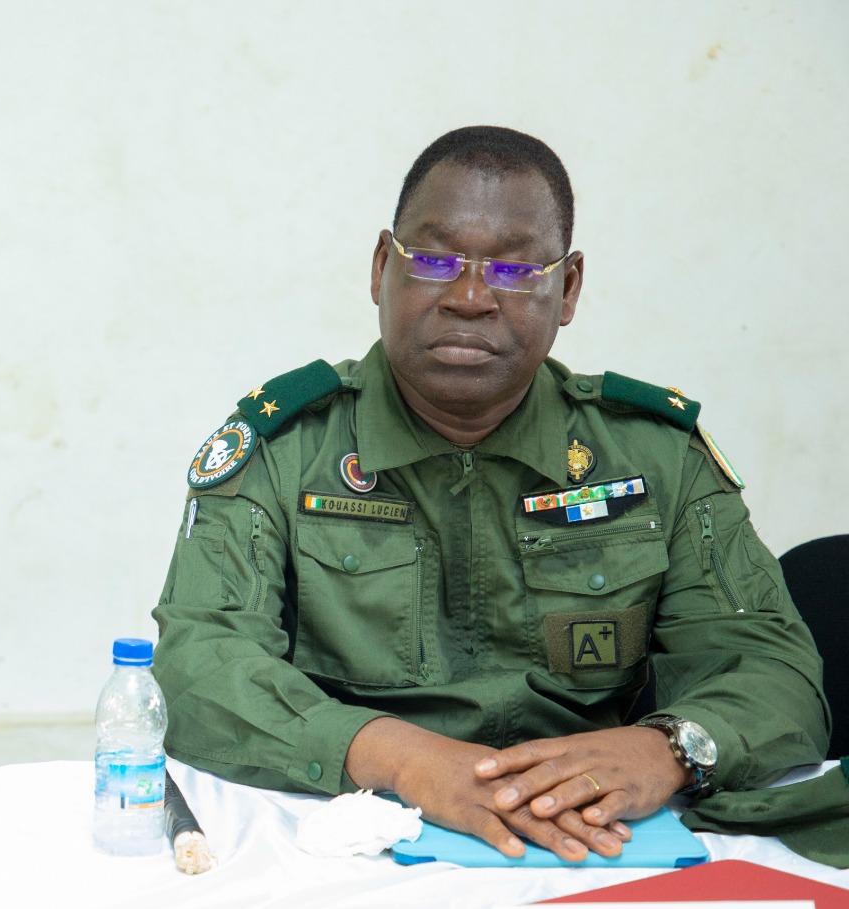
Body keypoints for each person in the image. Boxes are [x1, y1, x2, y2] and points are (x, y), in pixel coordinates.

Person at [152, 126, 829, 862]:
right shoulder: (286, 451)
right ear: (382, 267)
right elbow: (198, 666)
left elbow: (775, 671)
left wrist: (665, 750)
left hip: (603, 845)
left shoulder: (654, 457)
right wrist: (400, 757)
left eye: (513, 270)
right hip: (352, 839)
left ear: (566, 289)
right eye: (436, 260)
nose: (470, 297)